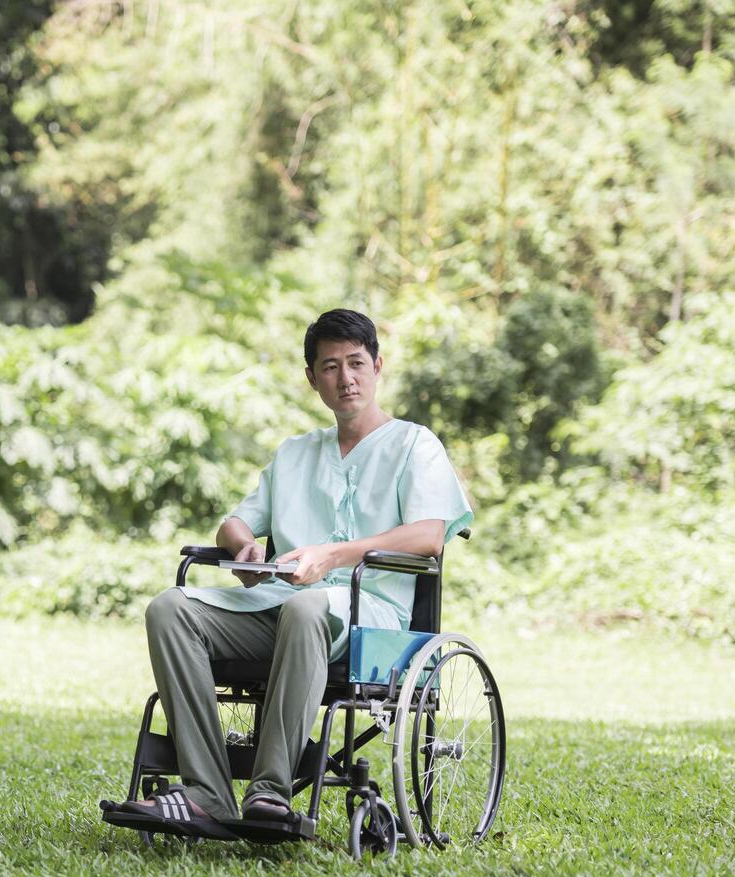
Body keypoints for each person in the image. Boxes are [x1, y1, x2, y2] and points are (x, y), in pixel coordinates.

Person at [118, 308, 473, 839]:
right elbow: (234, 523)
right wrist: (244, 549)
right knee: (170, 607)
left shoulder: (414, 445)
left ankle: (270, 792)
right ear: (313, 379)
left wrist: (333, 555)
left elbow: (428, 535)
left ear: (378, 366)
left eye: (356, 363)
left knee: (308, 606)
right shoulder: (294, 454)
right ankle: (206, 794)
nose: (345, 378)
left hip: (369, 616)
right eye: (330, 367)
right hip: (279, 608)